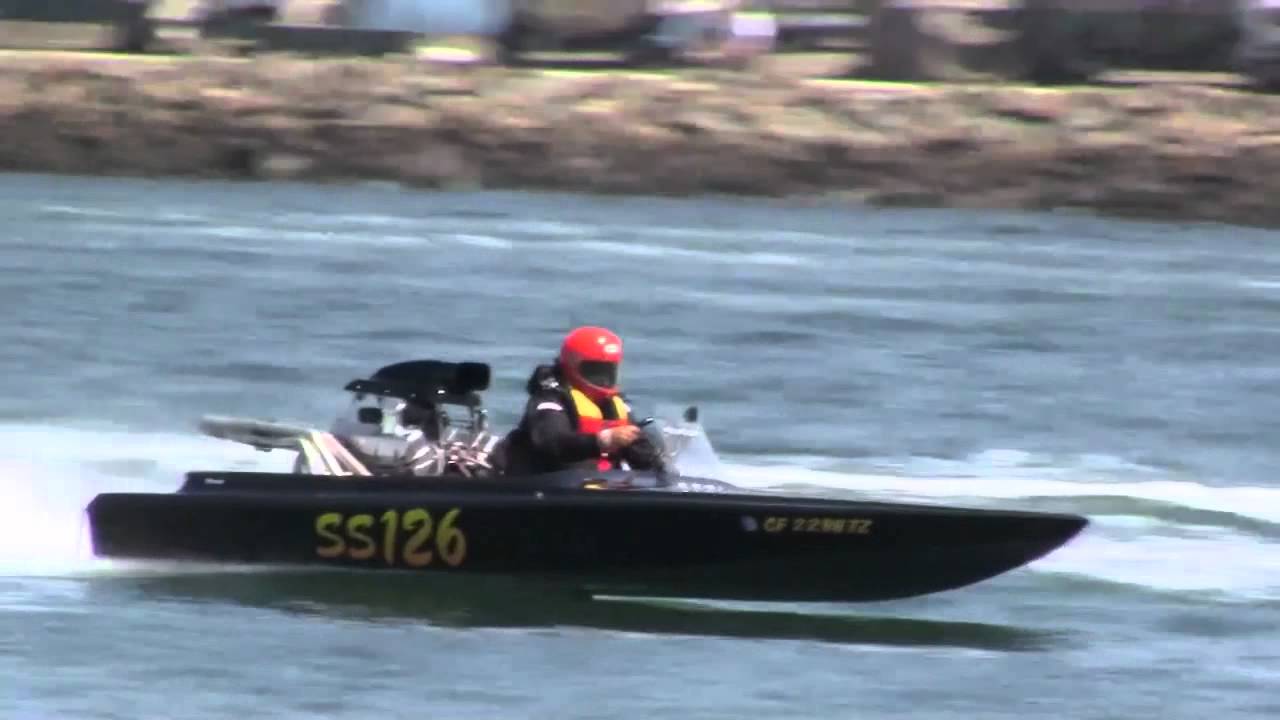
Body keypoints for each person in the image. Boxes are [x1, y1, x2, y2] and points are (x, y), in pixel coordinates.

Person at [495, 326, 666, 476]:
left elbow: (640, 454)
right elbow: (552, 442)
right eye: (595, 371)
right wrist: (604, 440)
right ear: (571, 367)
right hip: (542, 488)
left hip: (599, 489)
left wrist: (653, 463)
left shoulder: (615, 405)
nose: (603, 379)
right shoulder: (549, 399)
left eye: (608, 371)